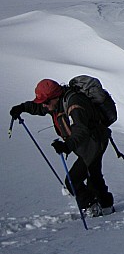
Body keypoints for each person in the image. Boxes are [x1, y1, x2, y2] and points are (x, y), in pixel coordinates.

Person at [10, 78, 115, 216]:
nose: (45, 106)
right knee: (93, 175)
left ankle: (91, 207)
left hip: (94, 142)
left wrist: (67, 146)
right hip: (89, 143)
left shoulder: (75, 104)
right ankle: (105, 205)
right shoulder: (57, 103)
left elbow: (81, 129)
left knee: (73, 180)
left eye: (46, 102)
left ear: (55, 97)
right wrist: (22, 108)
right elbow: (39, 108)